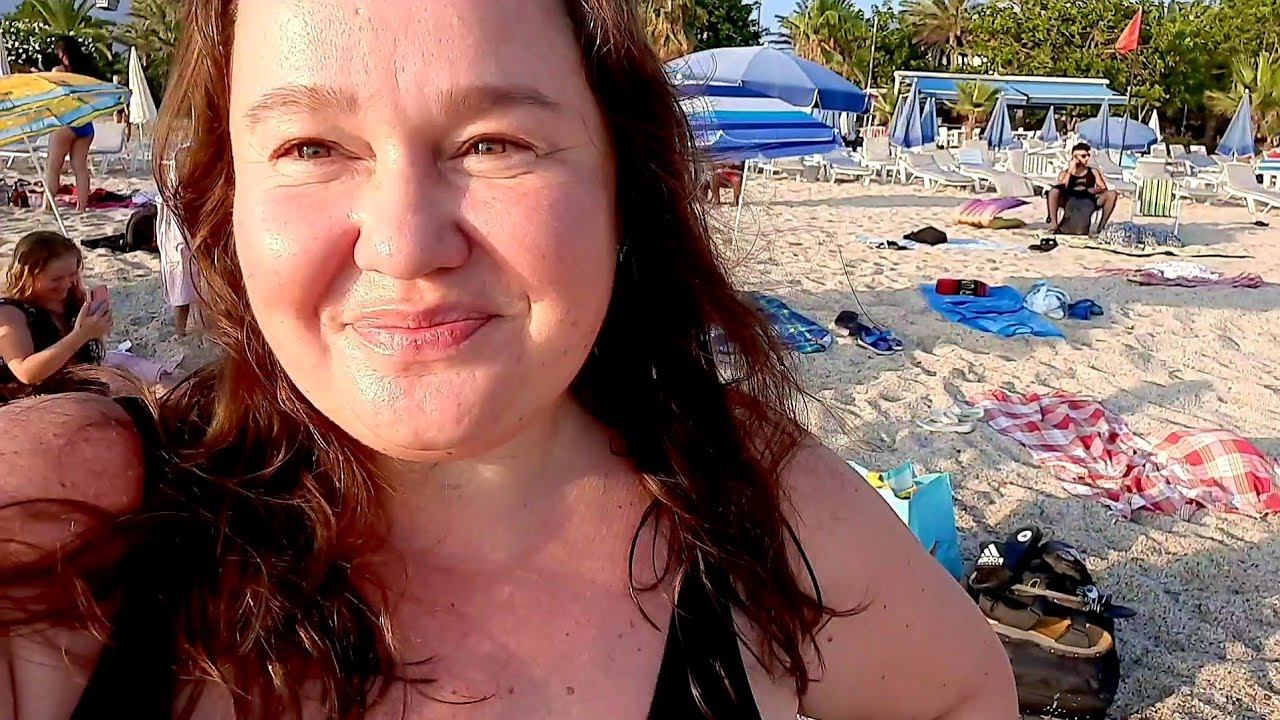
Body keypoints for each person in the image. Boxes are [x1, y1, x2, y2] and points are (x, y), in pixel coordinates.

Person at [0, 1, 1018, 718]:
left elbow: (964, 693)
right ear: (229, 199)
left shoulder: (759, 505)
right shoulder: (73, 507)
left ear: (623, 181)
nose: (403, 245)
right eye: (311, 147)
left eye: (493, 143)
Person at [0, 231, 111, 402]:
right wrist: (81, 335)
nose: (66, 284)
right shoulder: (10, 313)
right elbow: (26, 373)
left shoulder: (71, 300)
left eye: (72, 275)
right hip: (25, 404)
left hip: (75, 394)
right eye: (56, 279)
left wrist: (97, 328)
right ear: (27, 276)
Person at [45, 37, 99, 213]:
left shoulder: (58, 71)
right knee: (80, 167)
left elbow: (52, 95)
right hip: (85, 123)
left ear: (62, 53)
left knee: (53, 167)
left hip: (66, 121)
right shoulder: (85, 72)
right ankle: (81, 208)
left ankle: (48, 207)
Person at [1047, 142, 1119, 235]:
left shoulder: (1093, 171)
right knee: (1053, 192)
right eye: (1083, 156)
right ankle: (1054, 225)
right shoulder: (1065, 173)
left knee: (1112, 194)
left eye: (1088, 155)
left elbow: (1103, 187)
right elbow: (1061, 186)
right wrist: (1070, 171)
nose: (1087, 158)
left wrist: (1094, 190)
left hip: (1088, 197)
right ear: (1075, 158)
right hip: (1070, 197)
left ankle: (1101, 227)